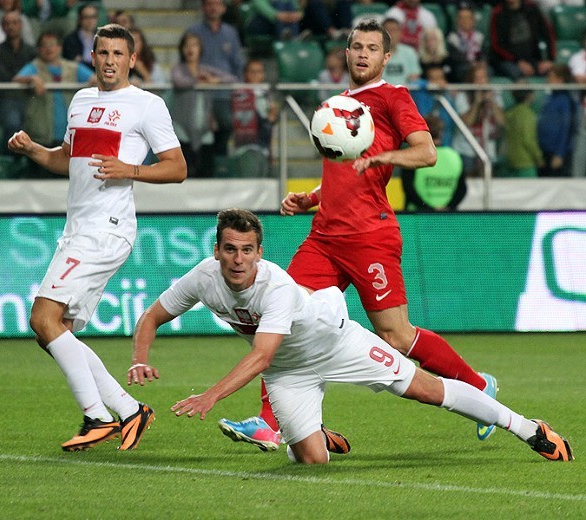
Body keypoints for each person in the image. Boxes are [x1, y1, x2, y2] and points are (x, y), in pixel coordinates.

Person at [219, 20, 499, 451]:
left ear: (386, 57)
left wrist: (385, 155)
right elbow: (342, 172)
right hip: (324, 236)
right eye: (356, 47)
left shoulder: (393, 97)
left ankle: (478, 384)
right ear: (346, 53)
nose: (363, 53)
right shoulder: (335, 106)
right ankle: (269, 423)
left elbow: (426, 152)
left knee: (397, 337)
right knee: (285, 317)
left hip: (370, 236)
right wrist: (310, 197)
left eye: (372, 48)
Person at [128, 208, 573, 465]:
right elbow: (151, 317)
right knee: (311, 460)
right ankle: (316, 433)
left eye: (247, 250)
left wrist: (211, 396)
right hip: (289, 370)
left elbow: (260, 356)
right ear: (217, 251)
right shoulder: (203, 278)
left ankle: (528, 428)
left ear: (260, 253)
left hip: (338, 342)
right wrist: (138, 358)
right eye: (230, 249)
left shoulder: (276, 286)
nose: (238, 259)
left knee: (424, 389)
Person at [7, 23, 187, 452]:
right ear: (92, 56)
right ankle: (128, 411)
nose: (109, 61)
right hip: (77, 229)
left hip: (106, 229)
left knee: (41, 318)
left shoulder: (146, 105)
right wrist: (34, 149)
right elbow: (66, 160)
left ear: (131, 58)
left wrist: (132, 170)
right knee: (55, 331)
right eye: (102, 52)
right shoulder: (81, 100)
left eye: (117, 54)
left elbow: (177, 167)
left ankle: (96, 416)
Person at [13, 30, 95, 177]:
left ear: (60, 48)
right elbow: (15, 80)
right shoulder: (33, 67)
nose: (48, 49)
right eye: (44, 45)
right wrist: (31, 79)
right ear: (38, 49)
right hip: (41, 136)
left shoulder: (72, 67)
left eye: (52, 45)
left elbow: (94, 79)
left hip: (69, 136)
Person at [171, 32, 237, 178]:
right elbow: (178, 81)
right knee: (185, 165)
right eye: (187, 45)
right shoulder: (179, 68)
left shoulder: (205, 69)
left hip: (204, 123)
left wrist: (214, 81)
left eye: (194, 45)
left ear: (200, 49)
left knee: (205, 167)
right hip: (182, 124)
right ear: (182, 49)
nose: (190, 49)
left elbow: (231, 79)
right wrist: (198, 81)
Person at [187, 0, 245, 164]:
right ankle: (201, 166)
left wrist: (235, 88)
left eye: (217, 4)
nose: (213, 8)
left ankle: (218, 163)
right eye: (209, 4)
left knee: (226, 125)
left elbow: (238, 64)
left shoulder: (230, 33)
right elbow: (187, 61)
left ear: (223, 8)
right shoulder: (193, 31)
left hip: (224, 93)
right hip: (199, 93)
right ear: (203, 7)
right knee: (200, 131)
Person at [0, 9, 35, 154]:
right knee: (12, 124)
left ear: (21, 25)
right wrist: (26, 78)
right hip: (5, 100)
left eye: (15, 23)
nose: (11, 26)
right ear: (2, 27)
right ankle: (10, 162)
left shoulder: (32, 51)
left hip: (29, 99)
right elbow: (3, 78)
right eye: (7, 23)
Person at [451, 61, 505, 178]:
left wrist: (491, 102)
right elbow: (467, 122)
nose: (481, 82)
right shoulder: (462, 96)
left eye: (483, 78)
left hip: (487, 148)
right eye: (477, 79)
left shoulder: (495, 95)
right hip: (466, 149)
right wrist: (476, 103)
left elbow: (501, 121)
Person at [402, 113, 466, 211]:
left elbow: (408, 188)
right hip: (446, 218)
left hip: (417, 216)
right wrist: (448, 207)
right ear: (441, 133)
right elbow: (462, 189)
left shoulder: (414, 155)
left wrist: (429, 209)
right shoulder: (455, 156)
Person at [489, 0, 556, 81]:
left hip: (533, 59)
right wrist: (517, 61)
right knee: (518, 75)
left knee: (554, 73)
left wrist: (549, 60)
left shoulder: (532, 9)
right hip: (507, 60)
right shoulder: (497, 12)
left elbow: (549, 34)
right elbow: (496, 44)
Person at [536, 63, 578, 177]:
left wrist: (560, 153)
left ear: (560, 80)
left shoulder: (567, 100)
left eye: (551, 77)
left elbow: (568, 128)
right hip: (545, 151)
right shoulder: (549, 98)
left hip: (558, 153)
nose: (548, 80)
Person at [231, 58, 279, 156]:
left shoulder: (266, 93)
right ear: (245, 74)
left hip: (264, 142)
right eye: (252, 71)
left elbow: (272, 118)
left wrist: (273, 116)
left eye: (259, 72)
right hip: (244, 144)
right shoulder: (239, 93)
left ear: (263, 74)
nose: (255, 75)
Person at [503, 88, 543, 177]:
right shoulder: (528, 114)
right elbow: (528, 139)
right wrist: (538, 157)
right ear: (529, 96)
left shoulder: (509, 113)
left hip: (511, 161)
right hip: (526, 163)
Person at [446, 3, 486, 83]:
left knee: (487, 70)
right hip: (462, 66)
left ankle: (485, 93)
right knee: (464, 70)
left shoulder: (479, 37)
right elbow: (454, 57)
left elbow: (484, 53)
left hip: (477, 64)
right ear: (457, 21)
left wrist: (480, 62)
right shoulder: (452, 38)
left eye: (468, 18)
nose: (465, 21)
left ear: (473, 20)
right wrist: (471, 64)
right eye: (462, 18)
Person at [381, 14, 421, 86]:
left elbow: (414, 78)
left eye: (393, 30)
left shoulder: (410, 52)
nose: (390, 34)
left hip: (405, 92)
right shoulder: (375, 54)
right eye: (387, 30)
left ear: (400, 33)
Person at [568, 30, 586, 178]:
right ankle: (577, 178)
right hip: (582, 109)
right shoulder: (577, 58)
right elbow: (579, 79)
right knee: (581, 144)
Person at [62, 2, 99, 71]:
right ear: (80, 19)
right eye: (86, 17)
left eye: (93, 17)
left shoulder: (102, 38)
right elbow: (73, 62)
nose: (90, 21)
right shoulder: (70, 39)